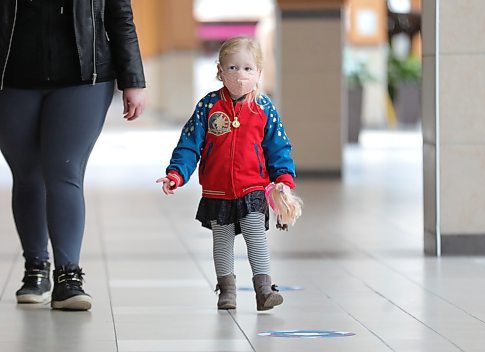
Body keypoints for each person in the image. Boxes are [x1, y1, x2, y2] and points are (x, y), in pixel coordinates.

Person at [0, 0, 146, 311]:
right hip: (10, 78)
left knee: (63, 171)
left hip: (85, 78)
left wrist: (133, 79)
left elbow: (119, 16)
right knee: (26, 175)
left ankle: (69, 277)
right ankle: (35, 269)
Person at [156, 37, 296, 311]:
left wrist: (283, 179)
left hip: (253, 188)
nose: (240, 76)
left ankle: (264, 289)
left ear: (258, 72)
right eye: (232, 68)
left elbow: (279, 146)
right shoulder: (208, 107)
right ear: (220, 71)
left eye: (247, 69)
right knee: (222, 241)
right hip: (217, 190)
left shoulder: (263, 108)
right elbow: (189, 144)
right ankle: (227, 290)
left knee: (256, 236)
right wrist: (176, 174)